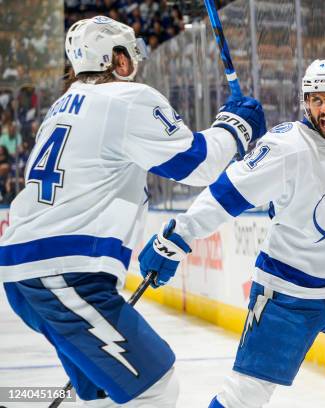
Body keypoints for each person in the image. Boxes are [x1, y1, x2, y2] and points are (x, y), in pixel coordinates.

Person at [0, 16, 266, 407]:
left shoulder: (59, 108)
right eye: (129, 53)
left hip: (33, 273)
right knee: (155, 388)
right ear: (117, 59)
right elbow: (196, 164)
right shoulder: (127, 98)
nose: (133, 64)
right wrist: (235, 126)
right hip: (64, 273)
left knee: (104, 394)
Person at [138, 59, 325, 408]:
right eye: (317, 100)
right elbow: (225, 194)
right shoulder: (285, 147)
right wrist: (176, 237)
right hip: (286, 294)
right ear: (305, 102)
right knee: (245, 395)